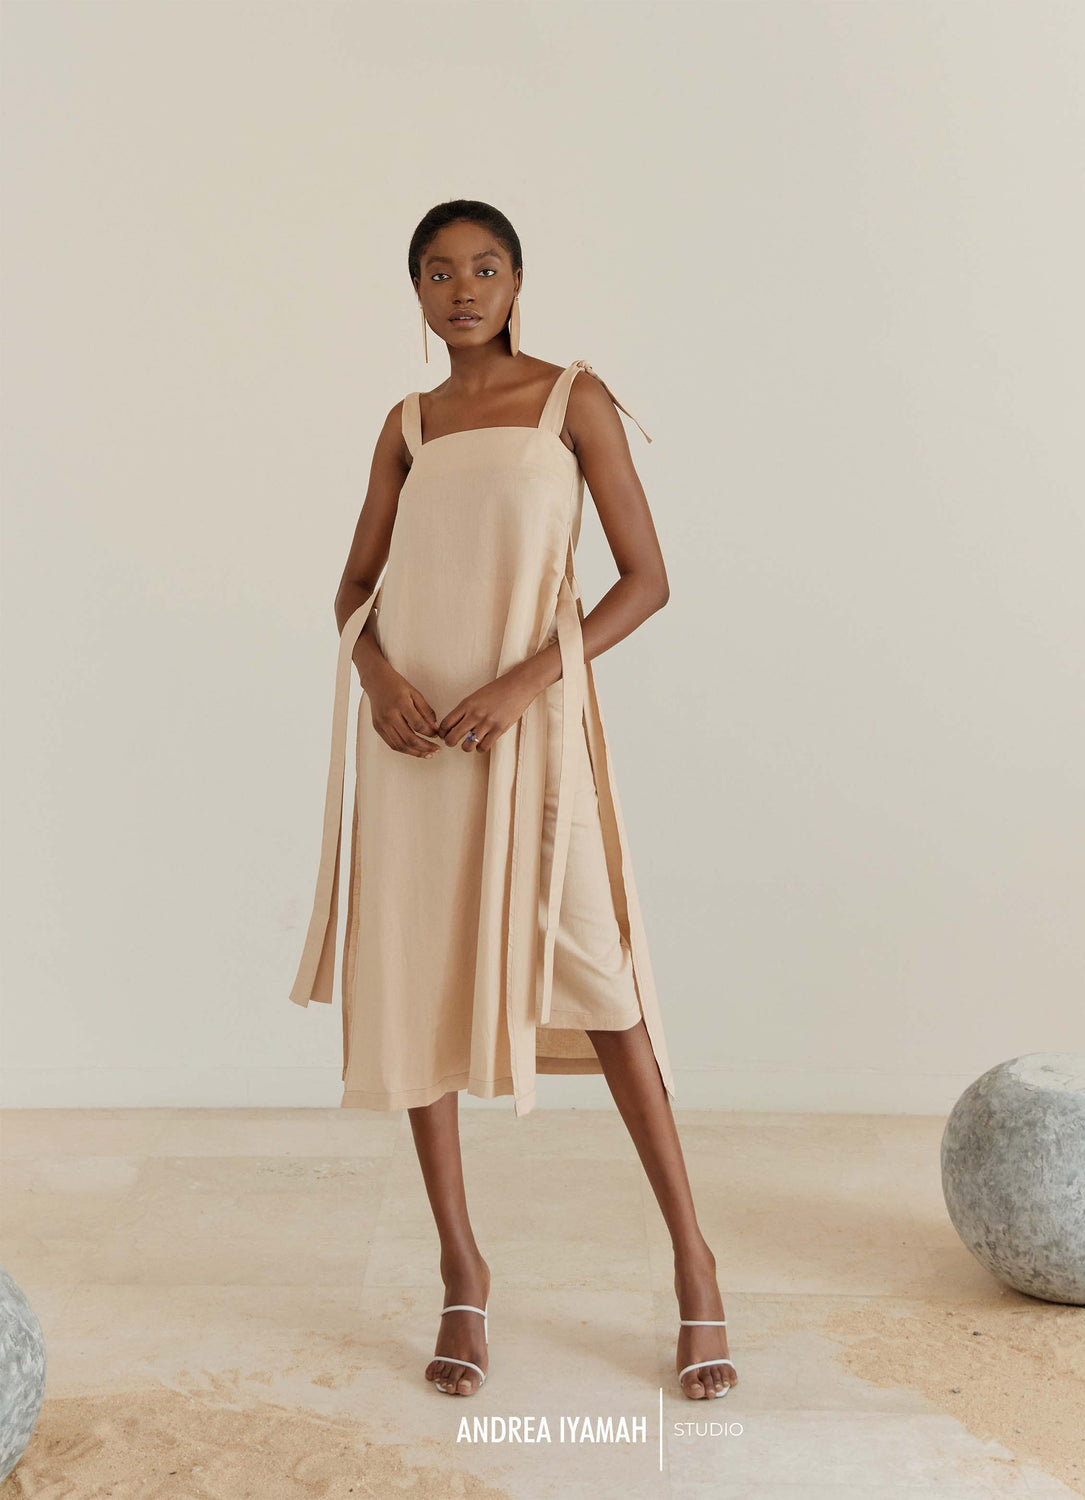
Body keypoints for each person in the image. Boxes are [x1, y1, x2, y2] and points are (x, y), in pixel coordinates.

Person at [289, 200, 737, 1401]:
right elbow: (353, 585)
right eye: (438, 273)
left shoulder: (571, 401)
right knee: (415, 988)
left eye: (484, 268)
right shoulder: (406, 424)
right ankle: (460, 1270)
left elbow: (646, 580)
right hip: (416, 746)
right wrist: (379, 680)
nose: (463, 290)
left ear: (519, 280)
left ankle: (694, 1261)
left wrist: (528, 679)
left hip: (531, 733)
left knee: (606, 983)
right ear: (417, 293)